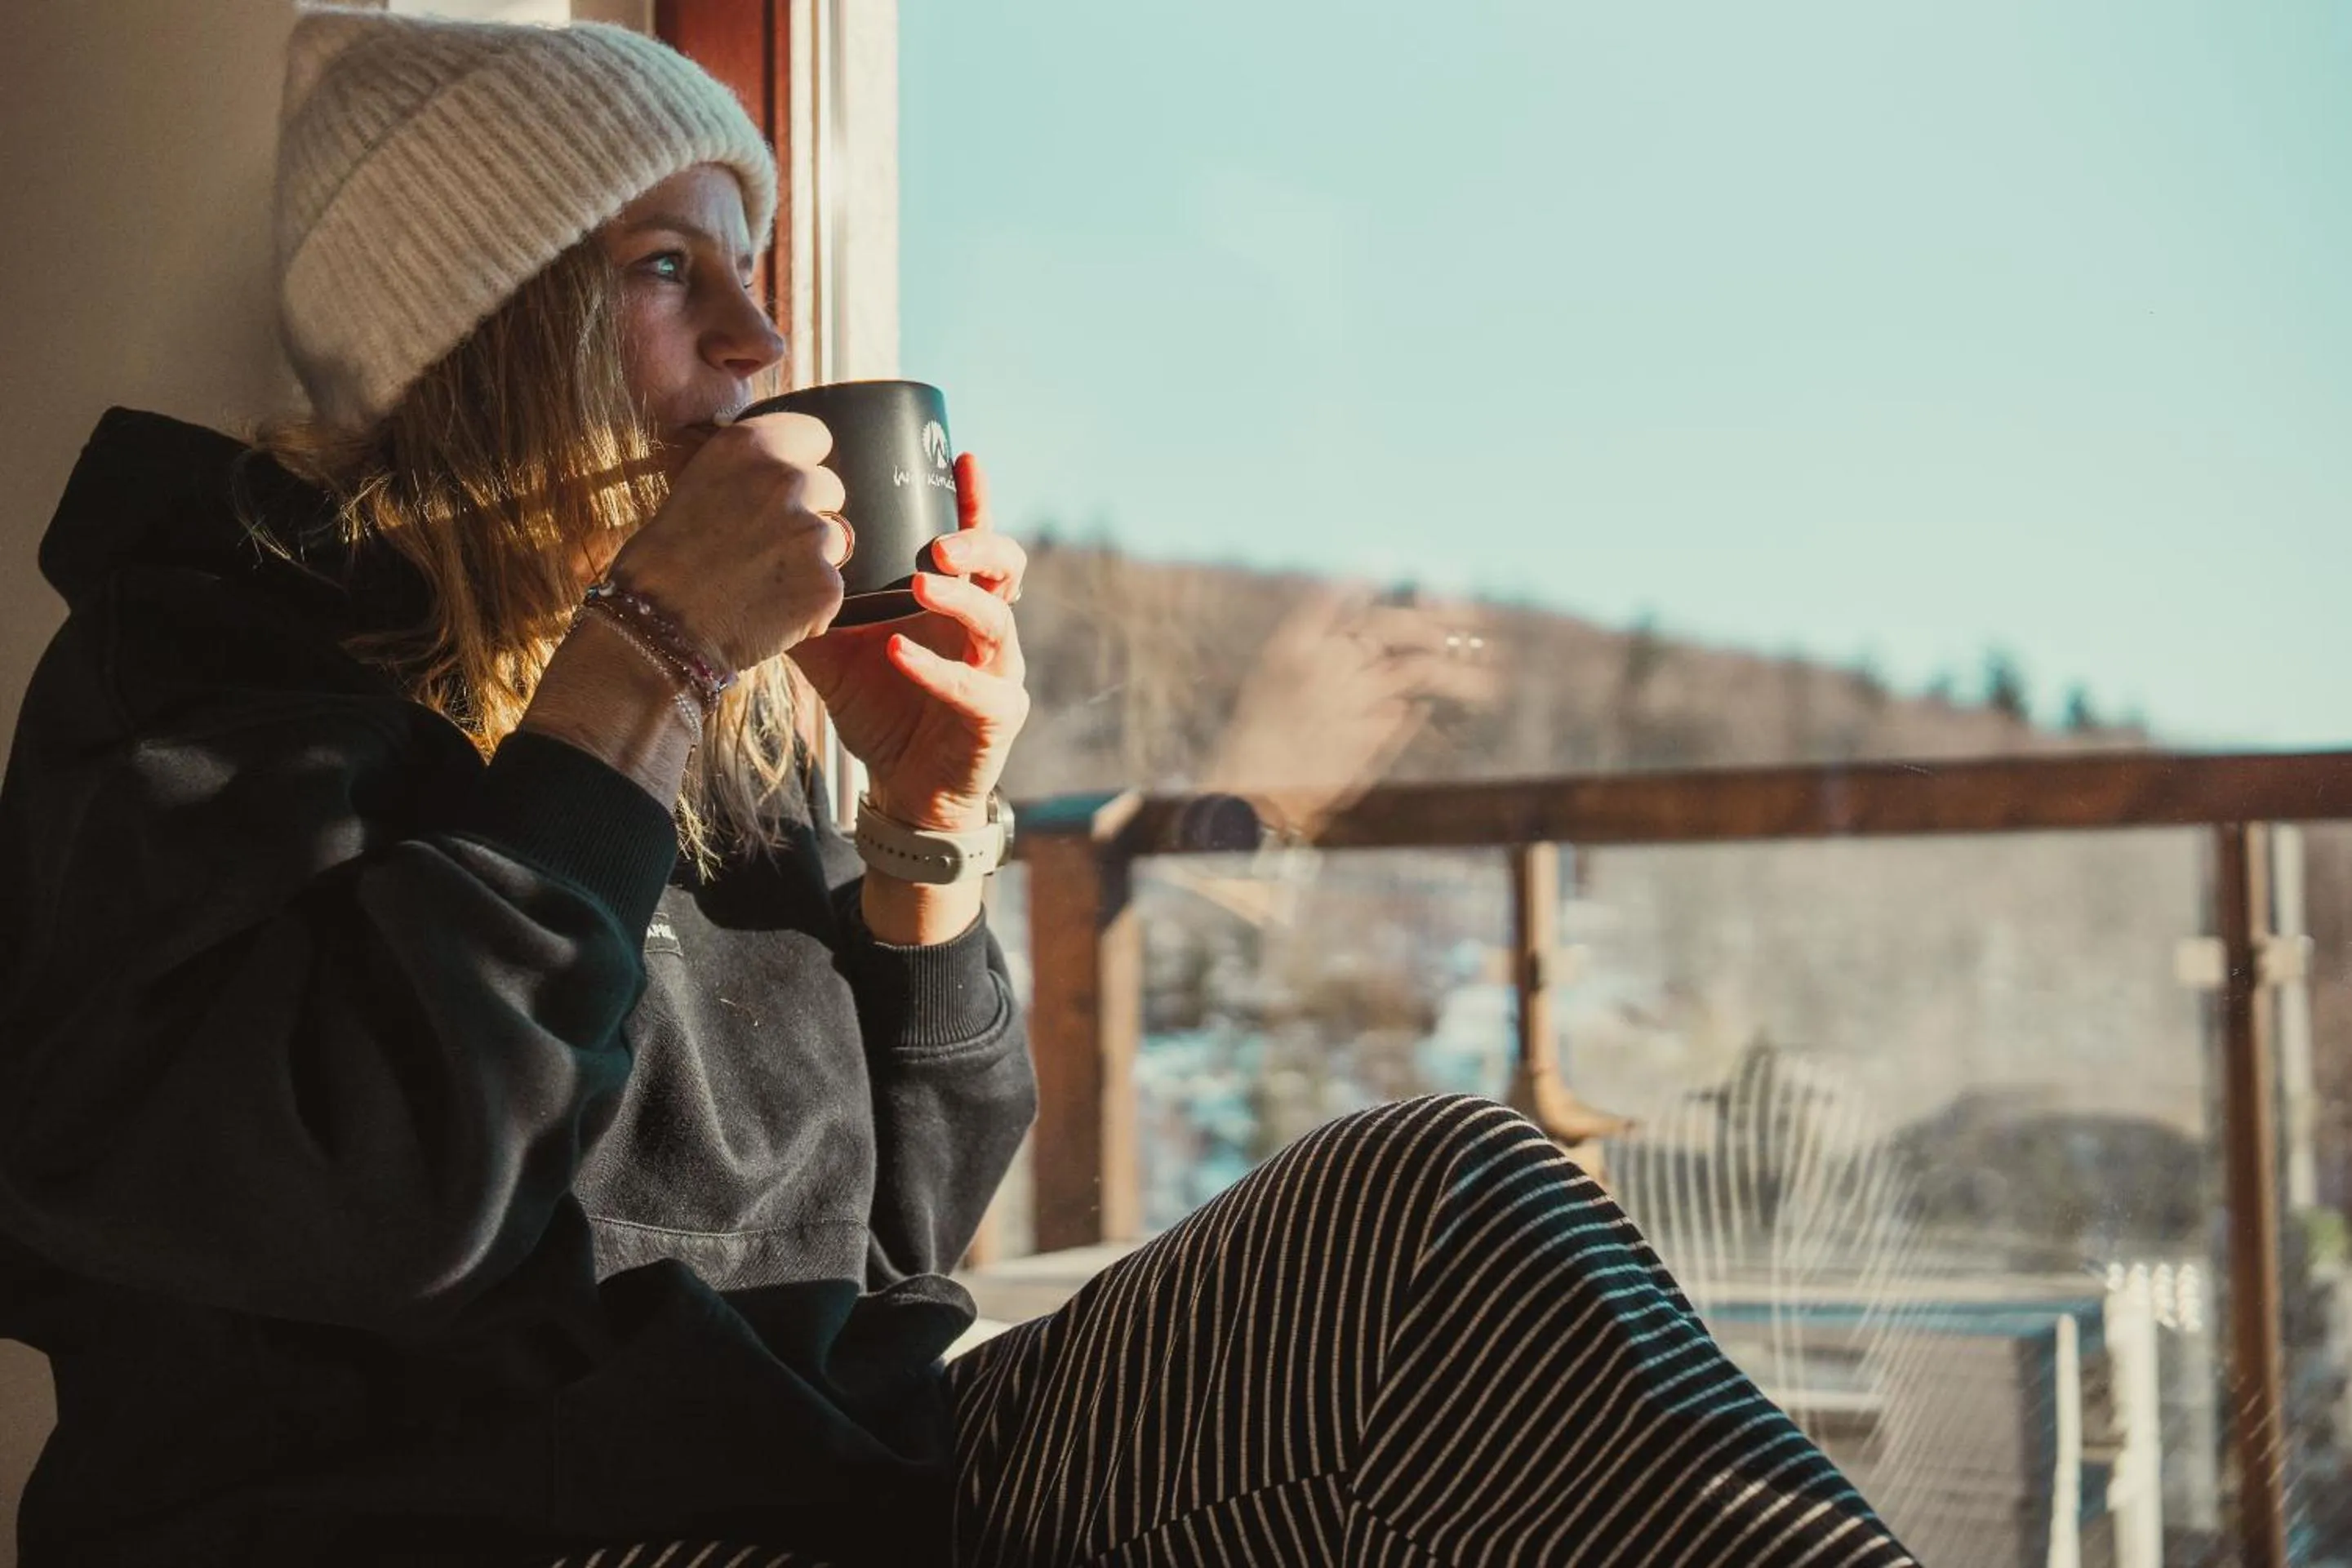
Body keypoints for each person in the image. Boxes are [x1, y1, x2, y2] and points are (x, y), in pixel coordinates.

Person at [0, 9, 1917, 1566]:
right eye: (669, 273)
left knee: (1430, 1200)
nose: (760, 348)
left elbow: (895, 1259)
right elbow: (374, 1200)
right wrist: (646, 661)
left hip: (848, 1481)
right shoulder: (204, 691)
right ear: (474, 341)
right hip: (473, 1527)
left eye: (751, 274)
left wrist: (924, 826)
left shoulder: (708, 744)